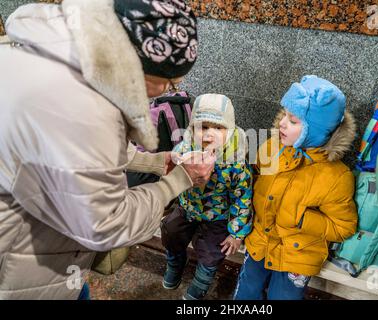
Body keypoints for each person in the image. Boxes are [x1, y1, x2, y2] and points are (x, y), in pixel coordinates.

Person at [0, 0, 214, 299]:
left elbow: (75, 152)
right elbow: (105, 224)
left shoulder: (50, 56)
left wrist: (156, 162)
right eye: (169, 79)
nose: (169, 89)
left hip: (44, 246)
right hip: (23, 267)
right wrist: (179, 180)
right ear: (136, 64)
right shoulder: (85, 112)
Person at [233, 75, 358, 300]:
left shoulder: (337, 177)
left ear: (316, 131)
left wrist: (303, 219)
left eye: (293, 120)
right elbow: (256, 178)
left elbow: (344, 228)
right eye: (284, 115)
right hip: (260, 241)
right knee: (246, 294)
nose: (282, 123)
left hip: (298, 256)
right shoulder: (272, 147)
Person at [160, 94, 253, 300]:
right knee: (170, 230)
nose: (209, 135)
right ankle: (175, 261)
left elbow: (243, 197)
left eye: (218, 128)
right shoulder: (185, 148)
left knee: (214, 250)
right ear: (193, 128)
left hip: (217, 215)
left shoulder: (235, 162)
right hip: (188, 208)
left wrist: (236, 233)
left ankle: (202, 279)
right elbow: (169, 177)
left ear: (229, 131)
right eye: (203, 127)